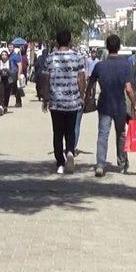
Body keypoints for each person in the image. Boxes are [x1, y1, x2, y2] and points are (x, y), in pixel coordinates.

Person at [85, 34, 136, 178]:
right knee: (121, 134)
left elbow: (90, 85)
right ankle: (121, 164)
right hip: (120, 106)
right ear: (119, 47)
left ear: (107, 48)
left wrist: (86, 99)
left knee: (103, 135)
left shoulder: (100, 66)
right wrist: (134, 103)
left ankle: (100, 165)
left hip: (104, 105)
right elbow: (128, 88)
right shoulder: (125, 65)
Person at [45, 29, 86, 174]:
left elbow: (46, 79)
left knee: (57, 132)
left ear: (57, 41)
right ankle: (69, 151)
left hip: (56, 102)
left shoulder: (50, 58)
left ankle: (60, 163)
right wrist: (81, 96)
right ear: (69, 40)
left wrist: (46, 98)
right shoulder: (78, 57)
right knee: (70, 130)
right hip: (72, 101)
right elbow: (81, 78)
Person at [0, 50, 13, 115]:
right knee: (0, 93)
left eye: (5, 55)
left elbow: (12, 72)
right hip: (0, 79)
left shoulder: (10, 62)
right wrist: (0, 71)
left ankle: (5, 106)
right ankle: (0, 106)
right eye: (2, 55)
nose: (4, 56)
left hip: (8, 80)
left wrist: (7, 70)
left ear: (7, 56)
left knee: (7, 94)